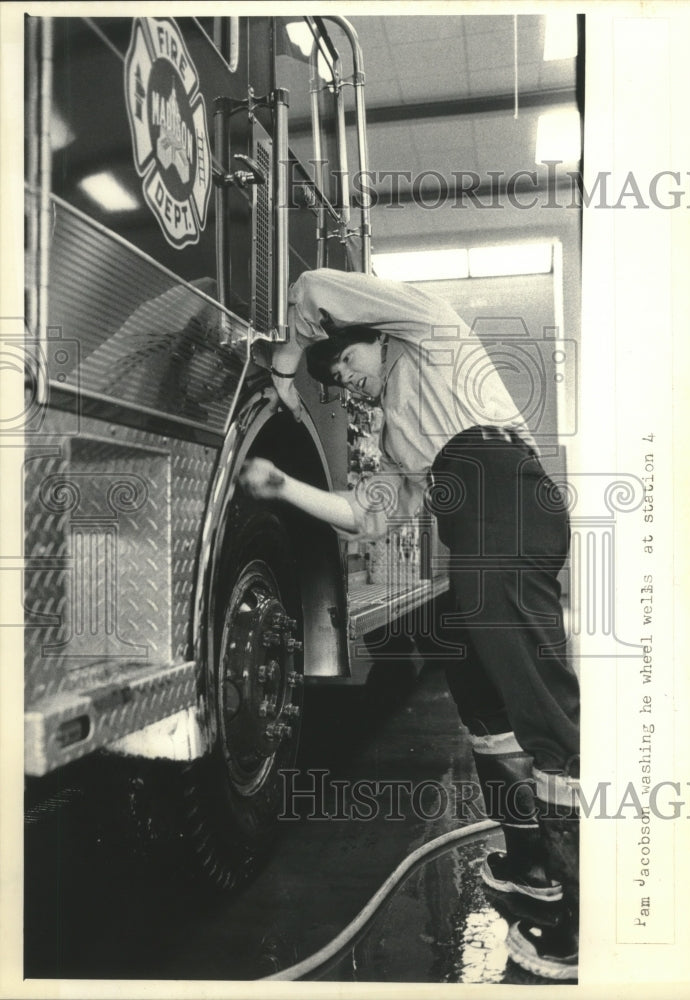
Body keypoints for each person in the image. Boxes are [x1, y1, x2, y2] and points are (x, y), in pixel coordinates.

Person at [240, 267, 580, 979]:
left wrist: (287, 366)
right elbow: (370, 515)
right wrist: (285, 486)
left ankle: (574, 918)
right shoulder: (399, 439)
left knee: (541, 706)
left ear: (377, 335)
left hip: (503, 498)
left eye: (350, 362)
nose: (348, 382)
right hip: (475, 524)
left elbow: (310, 287)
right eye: (339, 379)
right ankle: (530, 866)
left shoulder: (428, 327)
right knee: (485, 704)